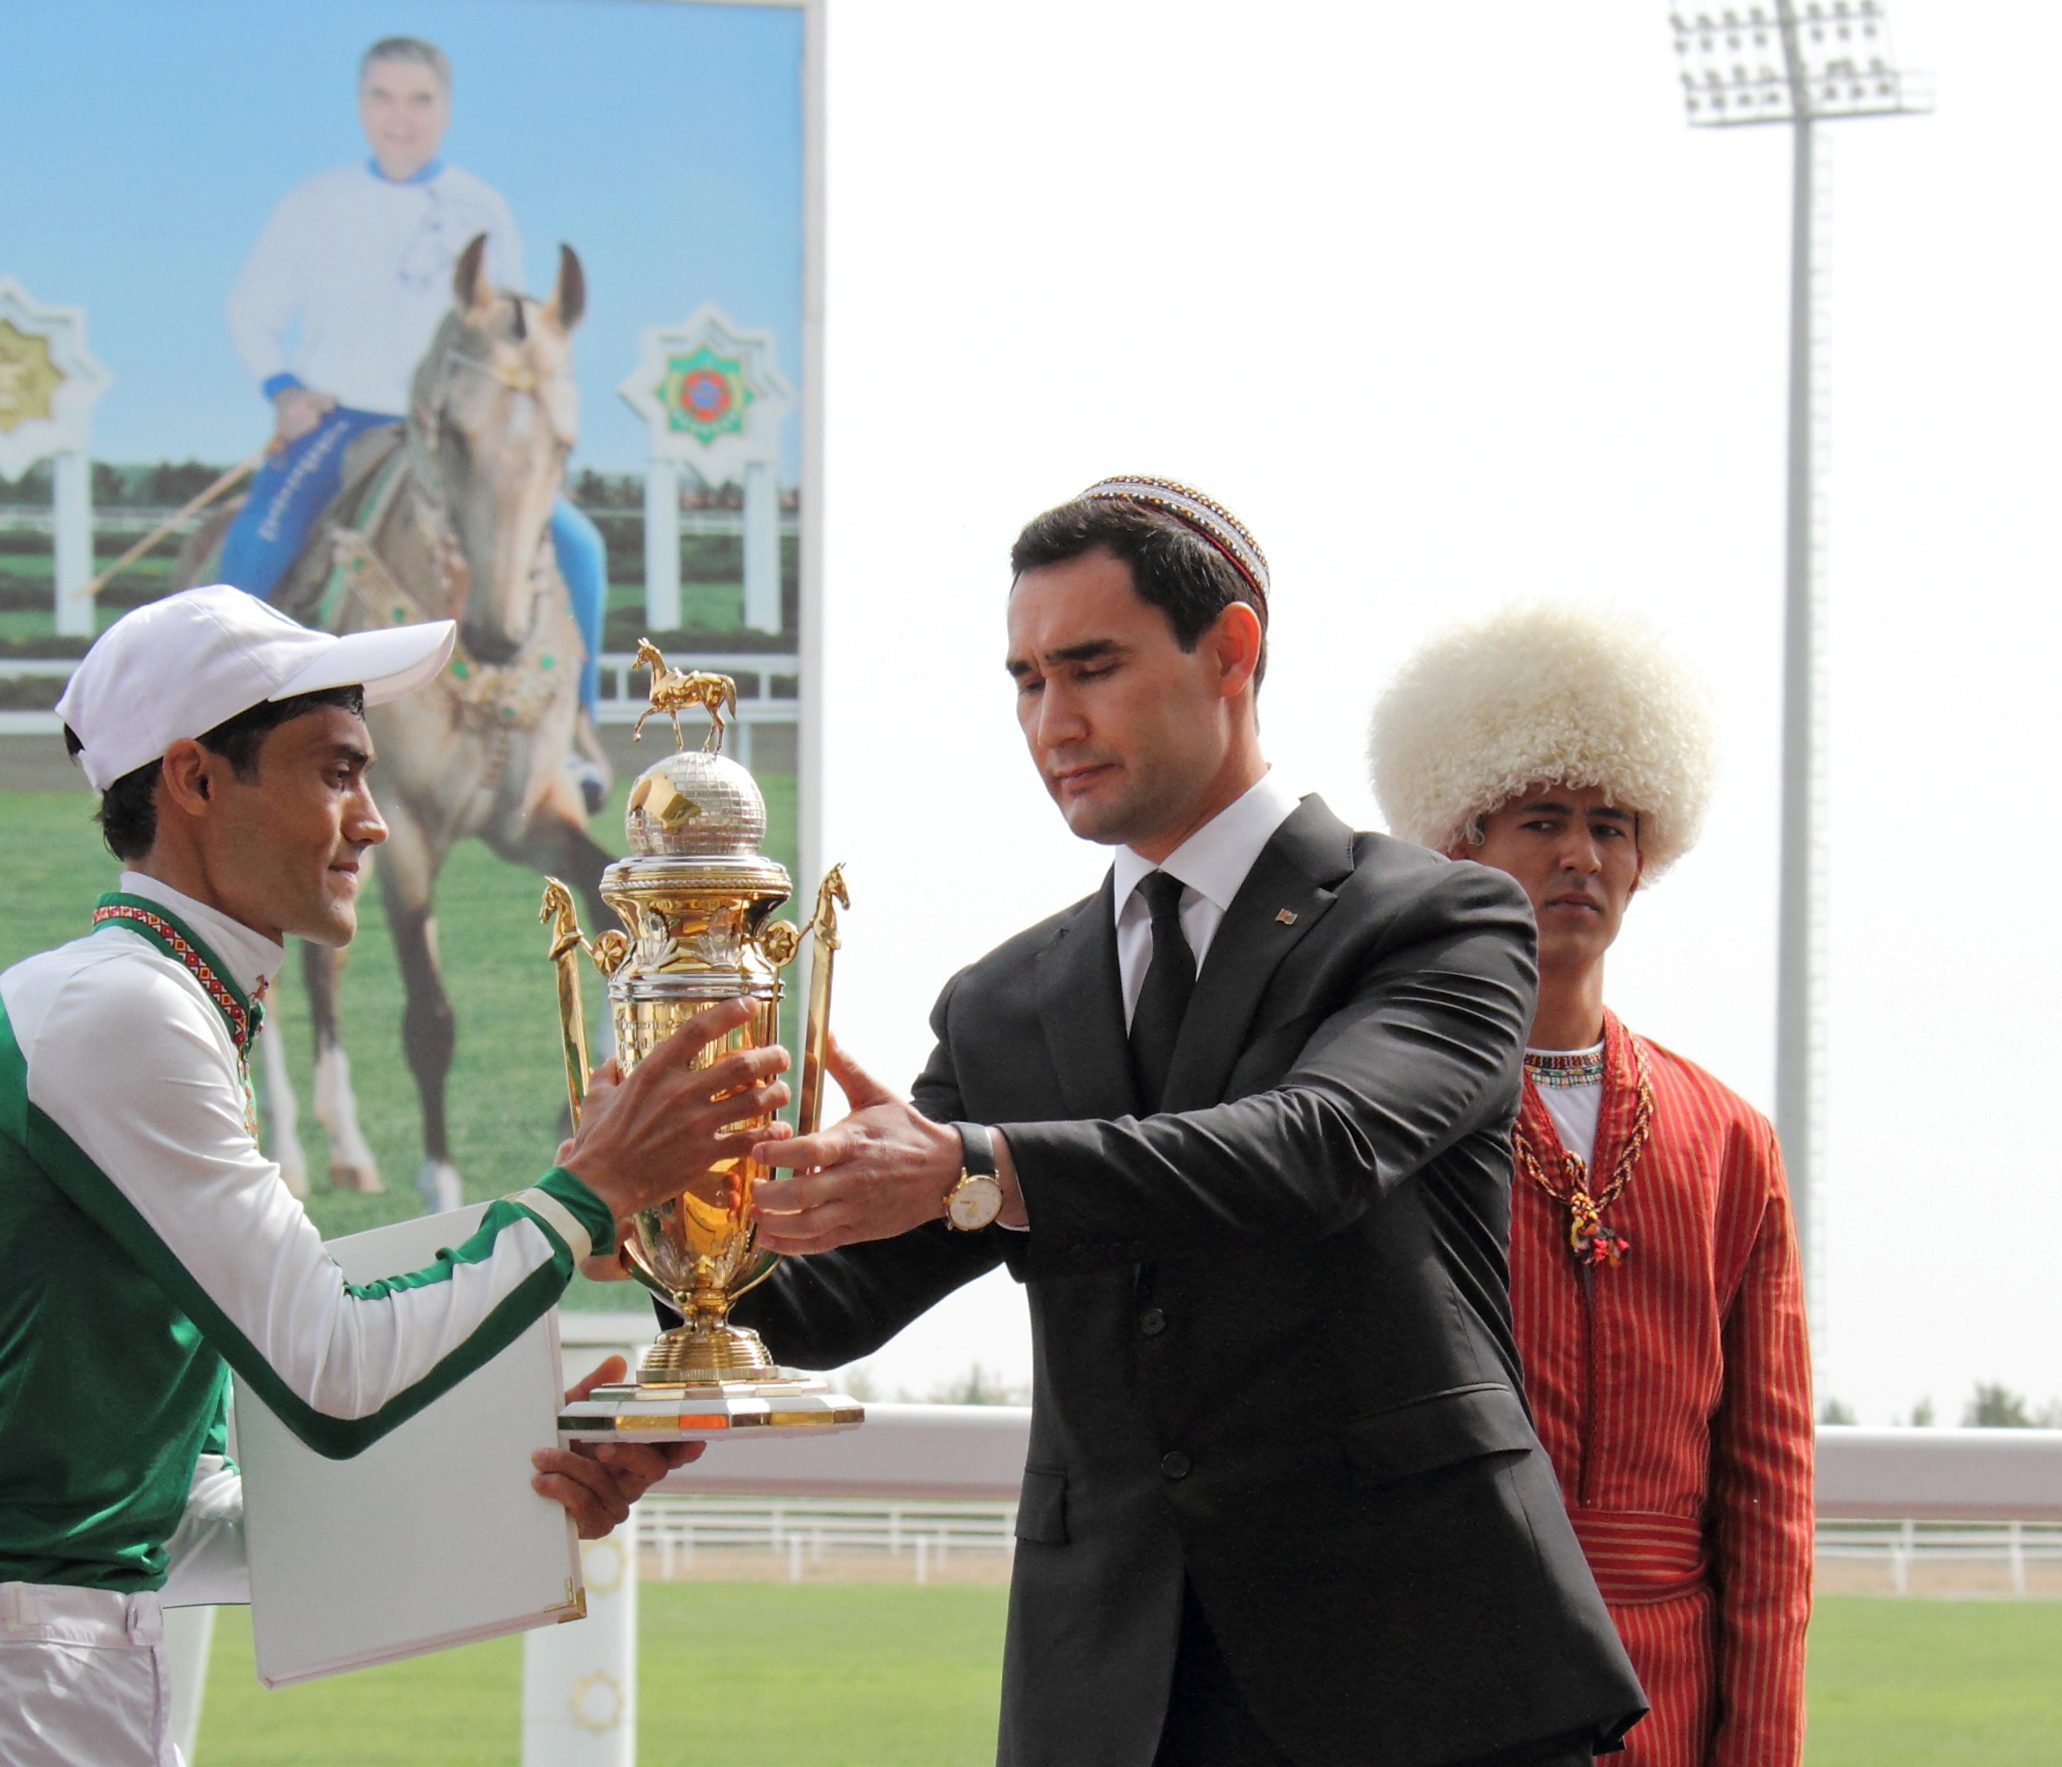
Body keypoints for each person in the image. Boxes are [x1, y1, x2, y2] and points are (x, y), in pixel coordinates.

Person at [737, 478, 1645, 1767]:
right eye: (1025, 680)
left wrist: (975, 1169)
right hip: (1110, 1696)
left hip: (1419, 1681)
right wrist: (682, 1206)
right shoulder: (1006, 1000)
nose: (1053, 719)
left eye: (1091, 667)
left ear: (1230, 651)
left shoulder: (1436, 919)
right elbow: (821, 1310)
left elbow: (1314, 1149)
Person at [0, 587, 774, 1767]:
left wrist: (520, 1475)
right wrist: (582, 1199)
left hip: (37, 1677)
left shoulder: (158, 1006)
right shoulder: (123, 1012)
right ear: (195, 780)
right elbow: (331, 1368)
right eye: (336, 771)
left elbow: (176, 1518)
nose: (371, 820)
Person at [1369, 604, 1813, 1767]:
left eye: (1610, 825)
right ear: (1456, 840)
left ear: (1646, 852)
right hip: (1447, 1677)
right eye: (1541, 820)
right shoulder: (1380, 1112)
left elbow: (1767, 1501)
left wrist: (1758, 1745)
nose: (1579, 856)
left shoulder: (1728, 1143)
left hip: (1673, 1699)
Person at [219, 34, 612, 802]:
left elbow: (510, 333)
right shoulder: (314, 201)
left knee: (582, 548)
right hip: (342, 421)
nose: (400, 116)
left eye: (419, 99)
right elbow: (251, 309)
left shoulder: (483, 207)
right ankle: (222, 727)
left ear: (446, 110)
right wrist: (285, 389)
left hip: (452, 435)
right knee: (255, 543)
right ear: (362, 105)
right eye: (383, 97)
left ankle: (576, 736)